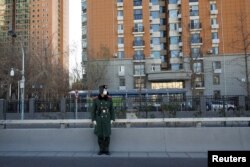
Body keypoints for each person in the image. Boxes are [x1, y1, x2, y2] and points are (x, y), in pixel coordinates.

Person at [92, 85, 115, 155]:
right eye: (103, 91)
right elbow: (93, 110)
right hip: (99, 119)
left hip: (107, 119)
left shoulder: (109, 99)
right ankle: (101, 149)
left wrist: (112, 119)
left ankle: (107, 150)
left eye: (105, 91)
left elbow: (112, 110)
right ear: (100, 92)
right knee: (100, 135)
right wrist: (94, 119)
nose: (104, 93)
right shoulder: (96, 99)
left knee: (107, 135)